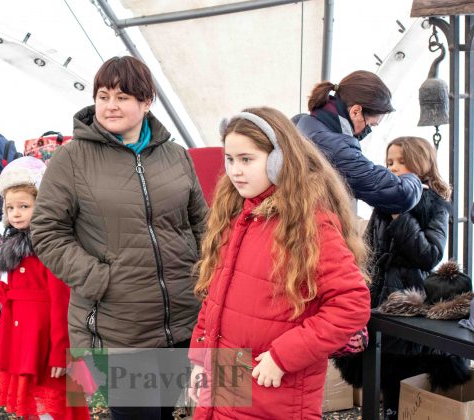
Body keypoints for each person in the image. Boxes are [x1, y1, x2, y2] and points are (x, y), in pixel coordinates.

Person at [31, 56, 208, 420]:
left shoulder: (176, 157)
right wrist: (99, 278)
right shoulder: (72, 159)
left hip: (181, 320)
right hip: (116, 327)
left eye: (123, 96)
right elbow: (47, 231)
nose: (111, 105)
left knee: (164, 413)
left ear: (146, 102)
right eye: (103, 95)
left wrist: (204, 273)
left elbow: (201, 224)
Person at [187, 107, 371, 419]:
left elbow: (351, 304)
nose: (235, 171)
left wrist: (283, 357)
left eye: (247, 159)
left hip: (275, 398)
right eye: (230, 160)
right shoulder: (237, 215)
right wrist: (200, 360)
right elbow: (215, 298)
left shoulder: (309, 222)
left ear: (278, 160)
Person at [336, 136, 466, 420]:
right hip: (377, 296)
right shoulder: (382, 204)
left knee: (404, 369)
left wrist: (401, 216)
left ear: (420, 163)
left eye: (401, 162)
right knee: (377, 365)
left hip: (409, 301)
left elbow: (431, 254)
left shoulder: (434, 204)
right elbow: (369, 247)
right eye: (389, 163)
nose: (393, 168)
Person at [0, 156, 91, 420]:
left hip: (44, 341)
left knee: (53, 403)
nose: (16, 213)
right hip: (23, 339)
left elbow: (62, 301)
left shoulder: (49, 247)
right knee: (33, 404)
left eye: (24, 206)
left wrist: (61, 352)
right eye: (10, 208)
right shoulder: (16, 245)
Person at [293, 70, 422, 214]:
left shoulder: (301, 124)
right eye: (371, 125)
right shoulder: (334, 147)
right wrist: (414, 178)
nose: (367, 132)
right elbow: (400, 195)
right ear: (355, 111)